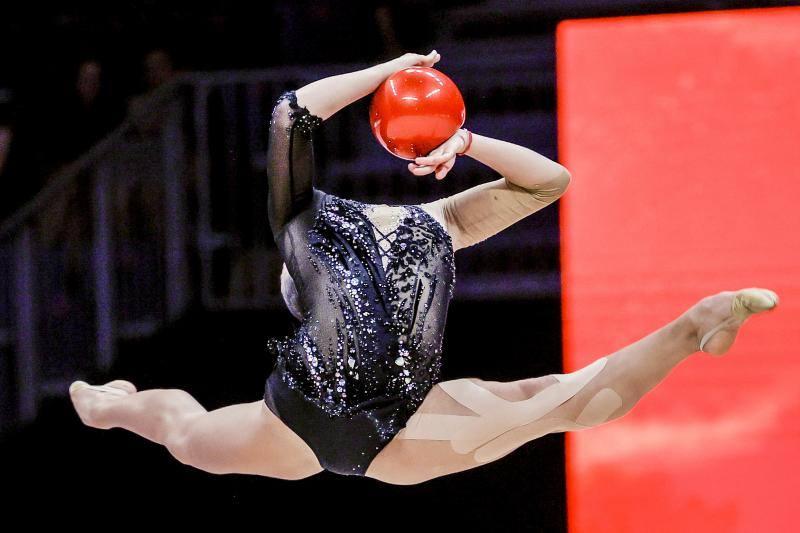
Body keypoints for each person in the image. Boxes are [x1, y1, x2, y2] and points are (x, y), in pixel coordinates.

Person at [69, 50, 780, 485]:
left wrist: (428, 105)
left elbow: (293, 115)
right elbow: (548, 181)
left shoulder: (310, 224)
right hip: (398, 427)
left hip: (324, 420)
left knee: (189, 437)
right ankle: (694, 324)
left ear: (294, 281)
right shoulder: (431, 224)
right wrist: (438, 116)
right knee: (566, 400)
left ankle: (114, 405)